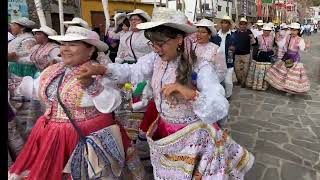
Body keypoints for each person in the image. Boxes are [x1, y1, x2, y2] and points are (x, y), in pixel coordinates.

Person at [77, 7, 254, 179]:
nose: (157, 49)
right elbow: (133, 71)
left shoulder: (201, 66)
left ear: (178, 39)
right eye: (153, 44)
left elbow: (220, 106)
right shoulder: (155, 59)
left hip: (192, 136)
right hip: (164, 131)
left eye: (161, 44)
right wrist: (103, 69)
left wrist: (190, 94)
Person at [8, 26, 144, 180]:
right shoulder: (54, 70)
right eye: (63, 44)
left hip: (85, 134)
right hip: (50, 135)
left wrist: (91, 85)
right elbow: (34, 89)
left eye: (72, 44)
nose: (65, 49)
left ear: (90, 50)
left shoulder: (96, 72)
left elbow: (110, 104)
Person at [265, 22, 310, 94]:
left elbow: (302, 49)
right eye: (292, 29)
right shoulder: (288, 36)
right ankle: (283, 87)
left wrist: (306, 46)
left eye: (295, 30)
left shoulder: (300, 39)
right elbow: (282, 45)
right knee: (284, 71)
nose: (293, 31)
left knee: (291, 73)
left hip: (294, 58)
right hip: (287, 56)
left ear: (298, 31)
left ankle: (290, 88)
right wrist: (277, 41)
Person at [210, 15, 235, 100]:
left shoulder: (233, 36)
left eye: (226, 23)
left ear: (229, 25)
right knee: (217, 81)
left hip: (228, 62)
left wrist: (234, 48)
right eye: (223, 23)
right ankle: (219, 96)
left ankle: (228, 96)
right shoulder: (215, 36)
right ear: (220, 24)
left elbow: (237, 47)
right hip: (217, 63)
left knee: (228, 82)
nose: (224, 25)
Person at [246, 23, 275, 91]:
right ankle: (257, 84)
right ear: (263, 30)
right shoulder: (258, 37)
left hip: (268, 55)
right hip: (261, 55)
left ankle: (265, 85)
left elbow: (275, 45)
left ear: (270, 31)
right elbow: (254, 44)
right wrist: (252, 38)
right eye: (265, 30)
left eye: (268, 30)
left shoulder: (273, 38)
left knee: (266, 71)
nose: (266, 32)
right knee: (259, 71)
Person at [232, 17, 256, 87]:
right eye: (241, 24)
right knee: (237, 70)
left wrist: (251, 38)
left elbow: (254, 43)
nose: (243, 26)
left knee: (246, 70)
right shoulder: (235, 33)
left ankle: (243, 82)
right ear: (239, 25)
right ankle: (239, 80)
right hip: (237, 54)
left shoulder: (249, 32)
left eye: (244, 24)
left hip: (246, 54)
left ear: (246, 25)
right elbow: (232, 43)